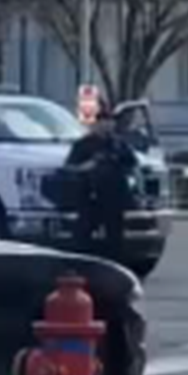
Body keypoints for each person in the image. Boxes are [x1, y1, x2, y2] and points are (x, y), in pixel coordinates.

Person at [64, 101, 140, 259]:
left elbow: (132, 163)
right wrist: (88, 166)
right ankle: (82, 263)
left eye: (109, 122)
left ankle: (114, 263)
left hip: (114, 196)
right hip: (90, 196)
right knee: (83, 234)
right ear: (95, 124)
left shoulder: (118, 144)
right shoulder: (83, 145)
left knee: (115, 236)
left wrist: (117, 158)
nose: (107, 126)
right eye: (102, 122)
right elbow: (70, 167)